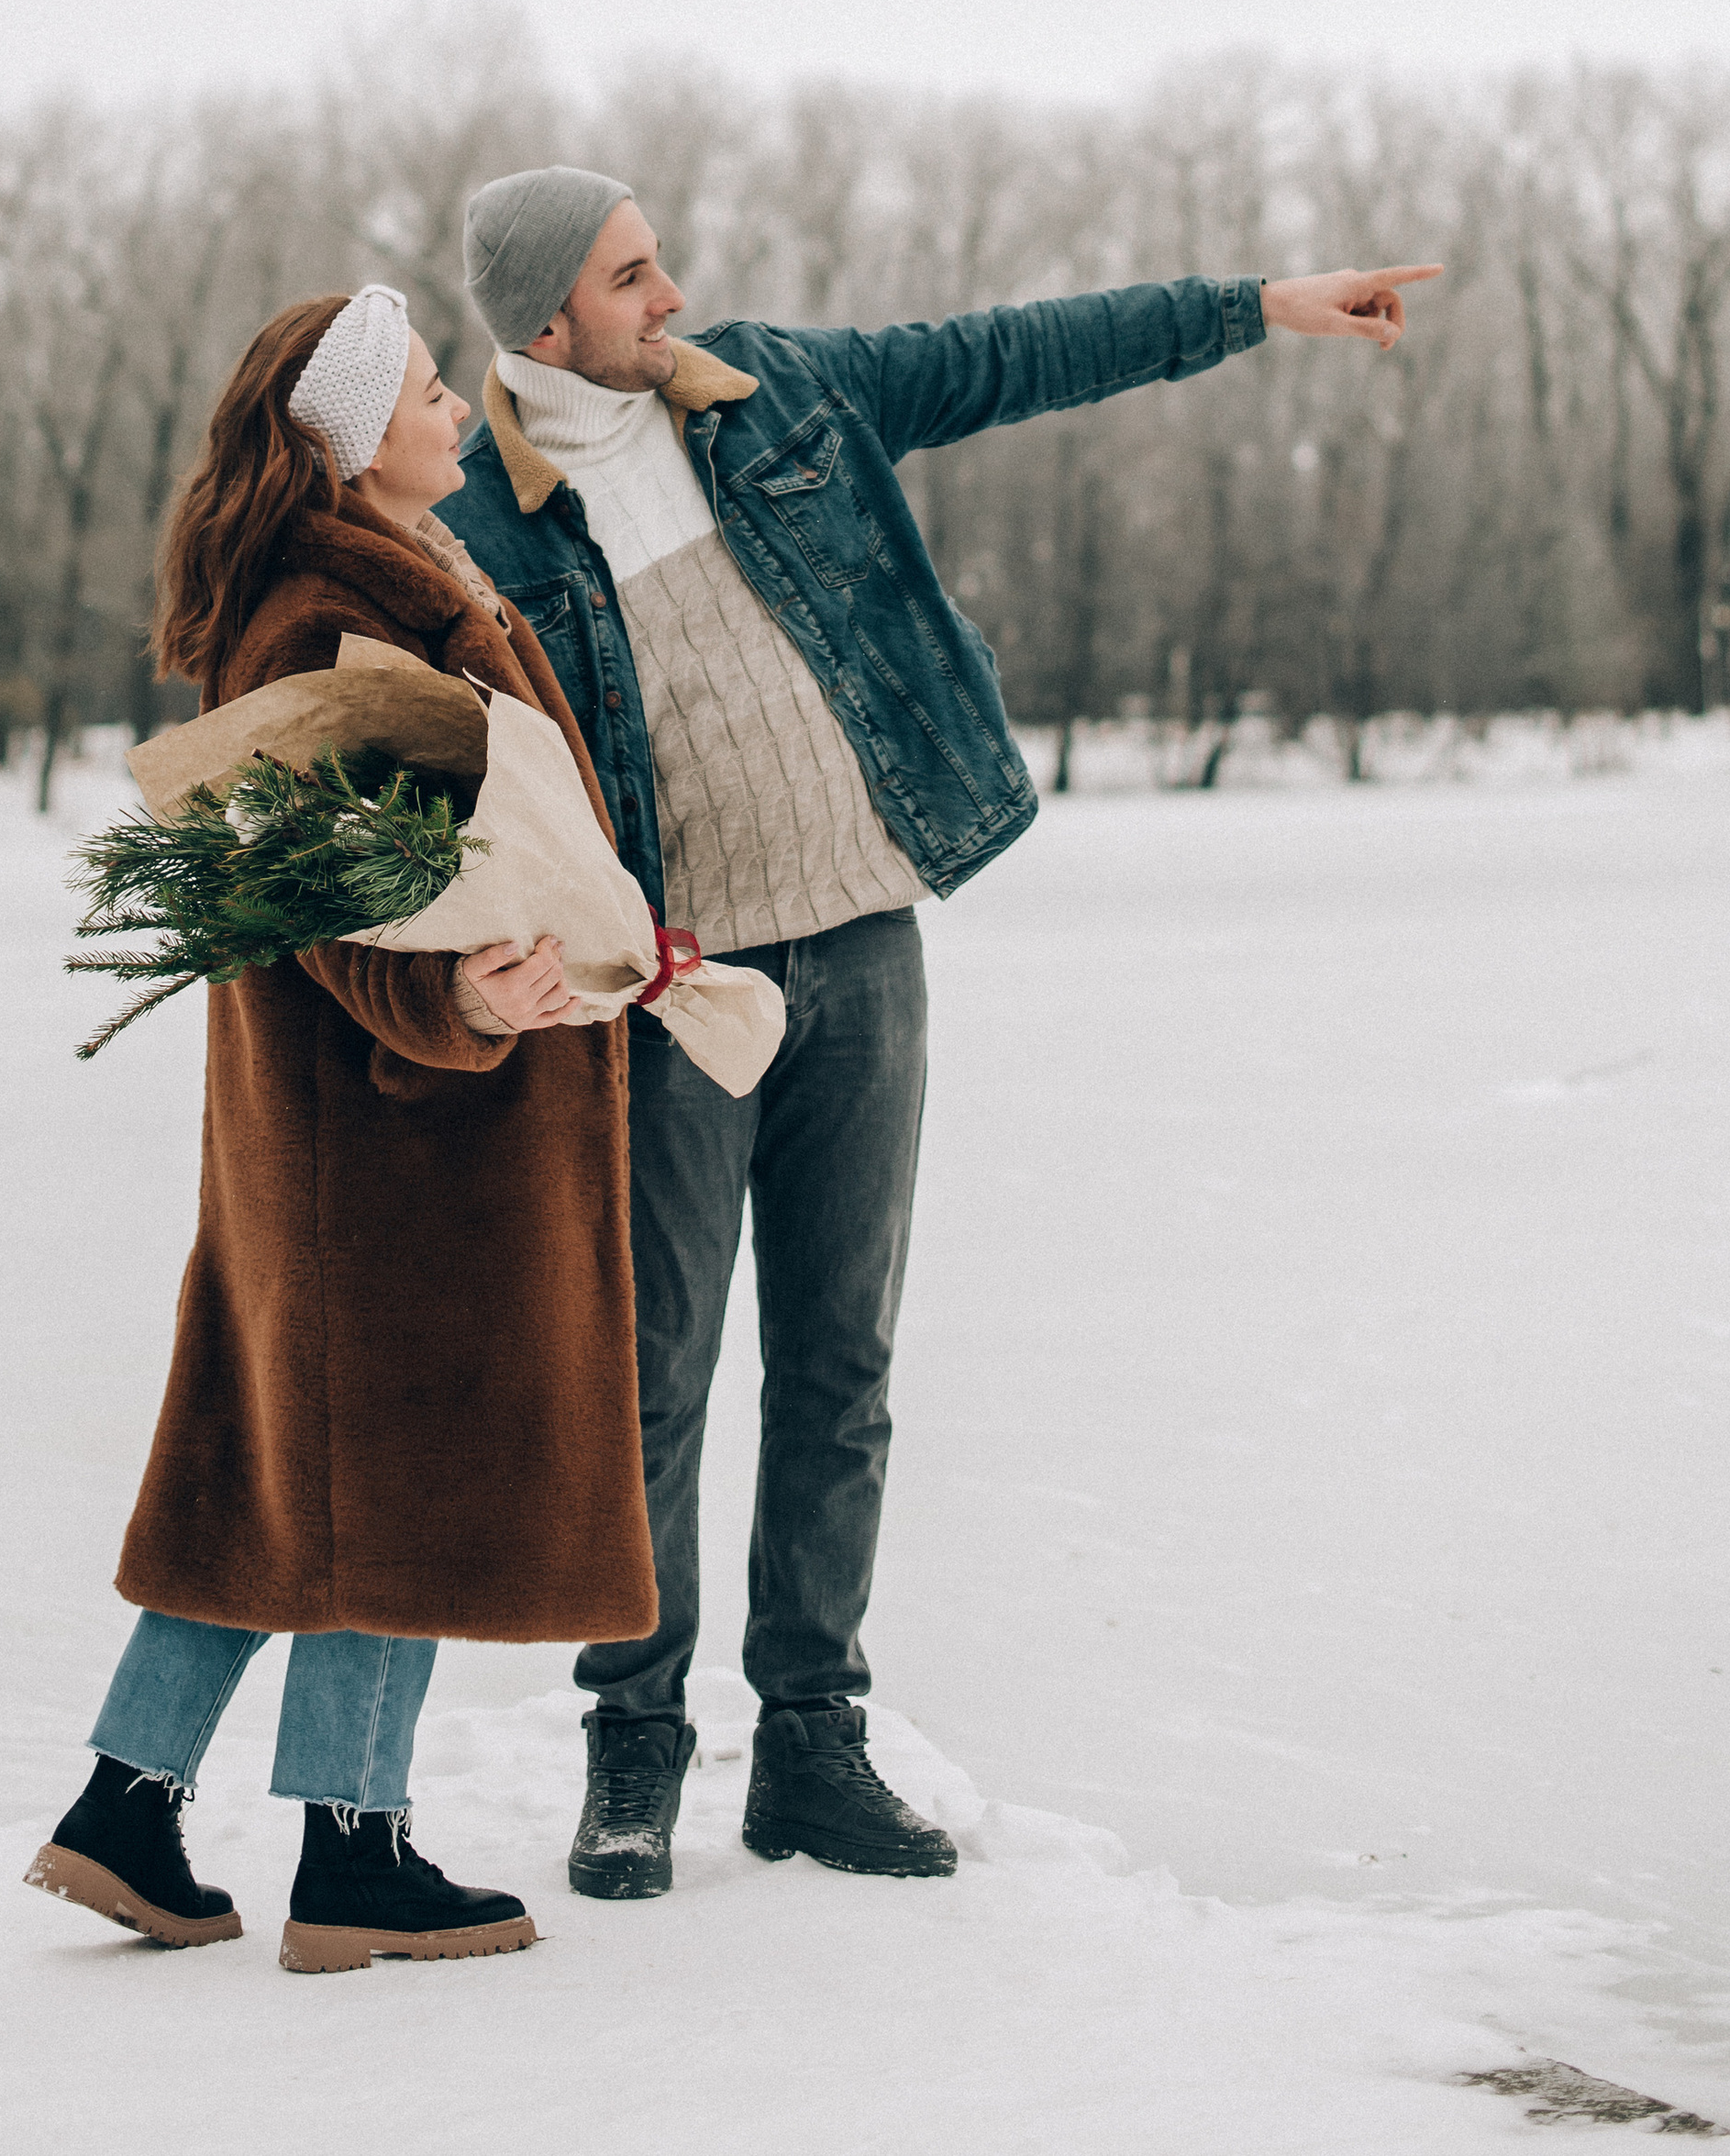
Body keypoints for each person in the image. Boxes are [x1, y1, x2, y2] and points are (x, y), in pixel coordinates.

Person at [440, 166, 1436, 1899]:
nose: (672, 294)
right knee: (653, 1381)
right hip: (672, 994)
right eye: (631, 275)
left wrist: (1258, 303)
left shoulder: (779, 392)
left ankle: (813, 1739)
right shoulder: (476, 518)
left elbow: (1009, 352)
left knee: (842, 1366)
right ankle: (636, 1742)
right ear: (545, 327)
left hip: (863, 946)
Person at [27, 283, 656, 1974]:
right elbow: (325, 905)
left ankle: (127, 1807)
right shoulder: (325, 616)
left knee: (280, 1473)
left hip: (355, 1135)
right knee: (398, 1474)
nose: (460, 411)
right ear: (347, 435)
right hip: (393, 1136)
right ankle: (353, 1854)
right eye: (433, 393)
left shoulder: (381, 583)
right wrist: (458, 1012)